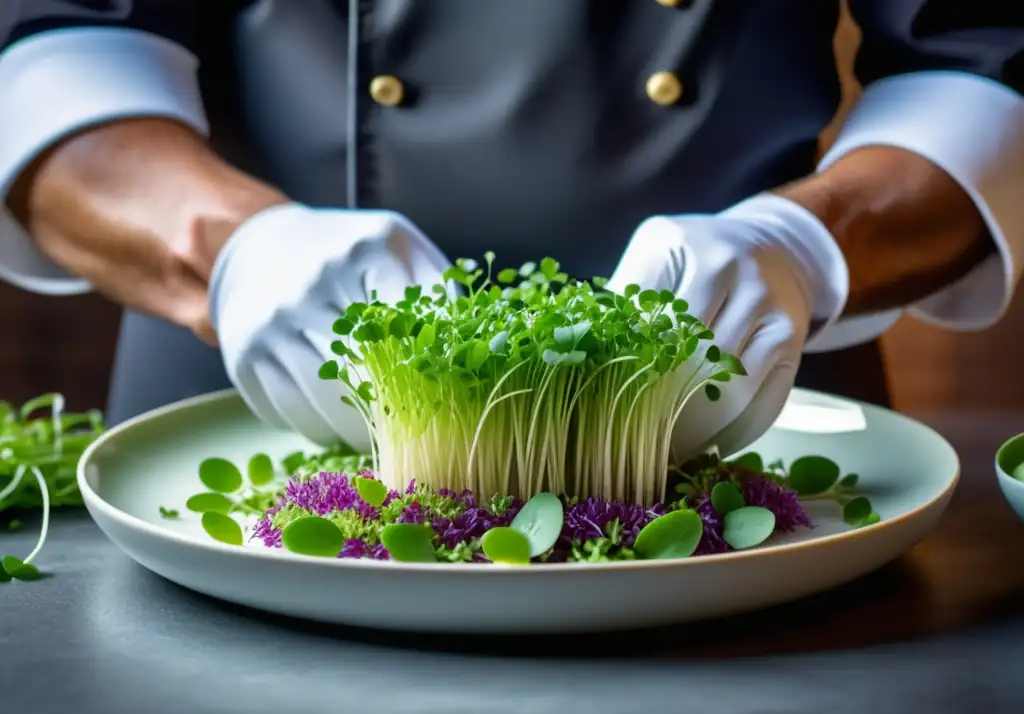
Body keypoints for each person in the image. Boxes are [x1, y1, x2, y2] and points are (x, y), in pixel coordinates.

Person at [0, 1, 1021, 460]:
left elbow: (981, 58)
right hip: (254, 397)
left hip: (754, 397)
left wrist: (804, 250)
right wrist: (229, 250)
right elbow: (56, 36)